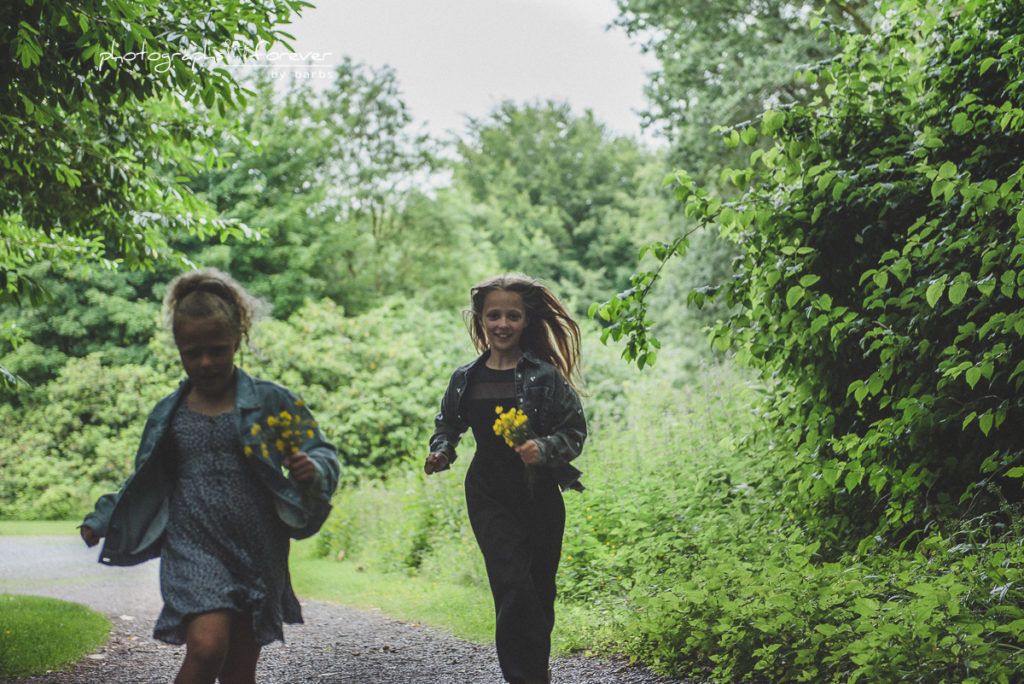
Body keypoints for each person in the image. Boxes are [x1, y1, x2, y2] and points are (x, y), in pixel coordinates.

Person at [79, 268, 340, 684]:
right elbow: (144, 477)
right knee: (206, 648)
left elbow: (321, 451)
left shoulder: (273, 402)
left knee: (238, 673)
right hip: (192, 545)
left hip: (256, 548)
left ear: (238, 339)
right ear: (179, 348)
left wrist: (314, 469)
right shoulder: (169, 413)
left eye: (217, 350)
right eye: (192, 352)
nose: (205, 362)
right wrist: (101, 519)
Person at [425, 274, 586, 684]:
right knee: (512, 585)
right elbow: (448, 423)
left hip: (539, 496)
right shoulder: (466, 378)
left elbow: (574, 432)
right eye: (493, 315)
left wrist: (543, 449)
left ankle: (534, 669)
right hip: (489, 494)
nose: (502, 324)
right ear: (480, 320)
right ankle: (525, 677)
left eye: (511, 316)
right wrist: (442, 451)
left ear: (525, 321)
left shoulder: (545, 376)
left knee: (538, 590)